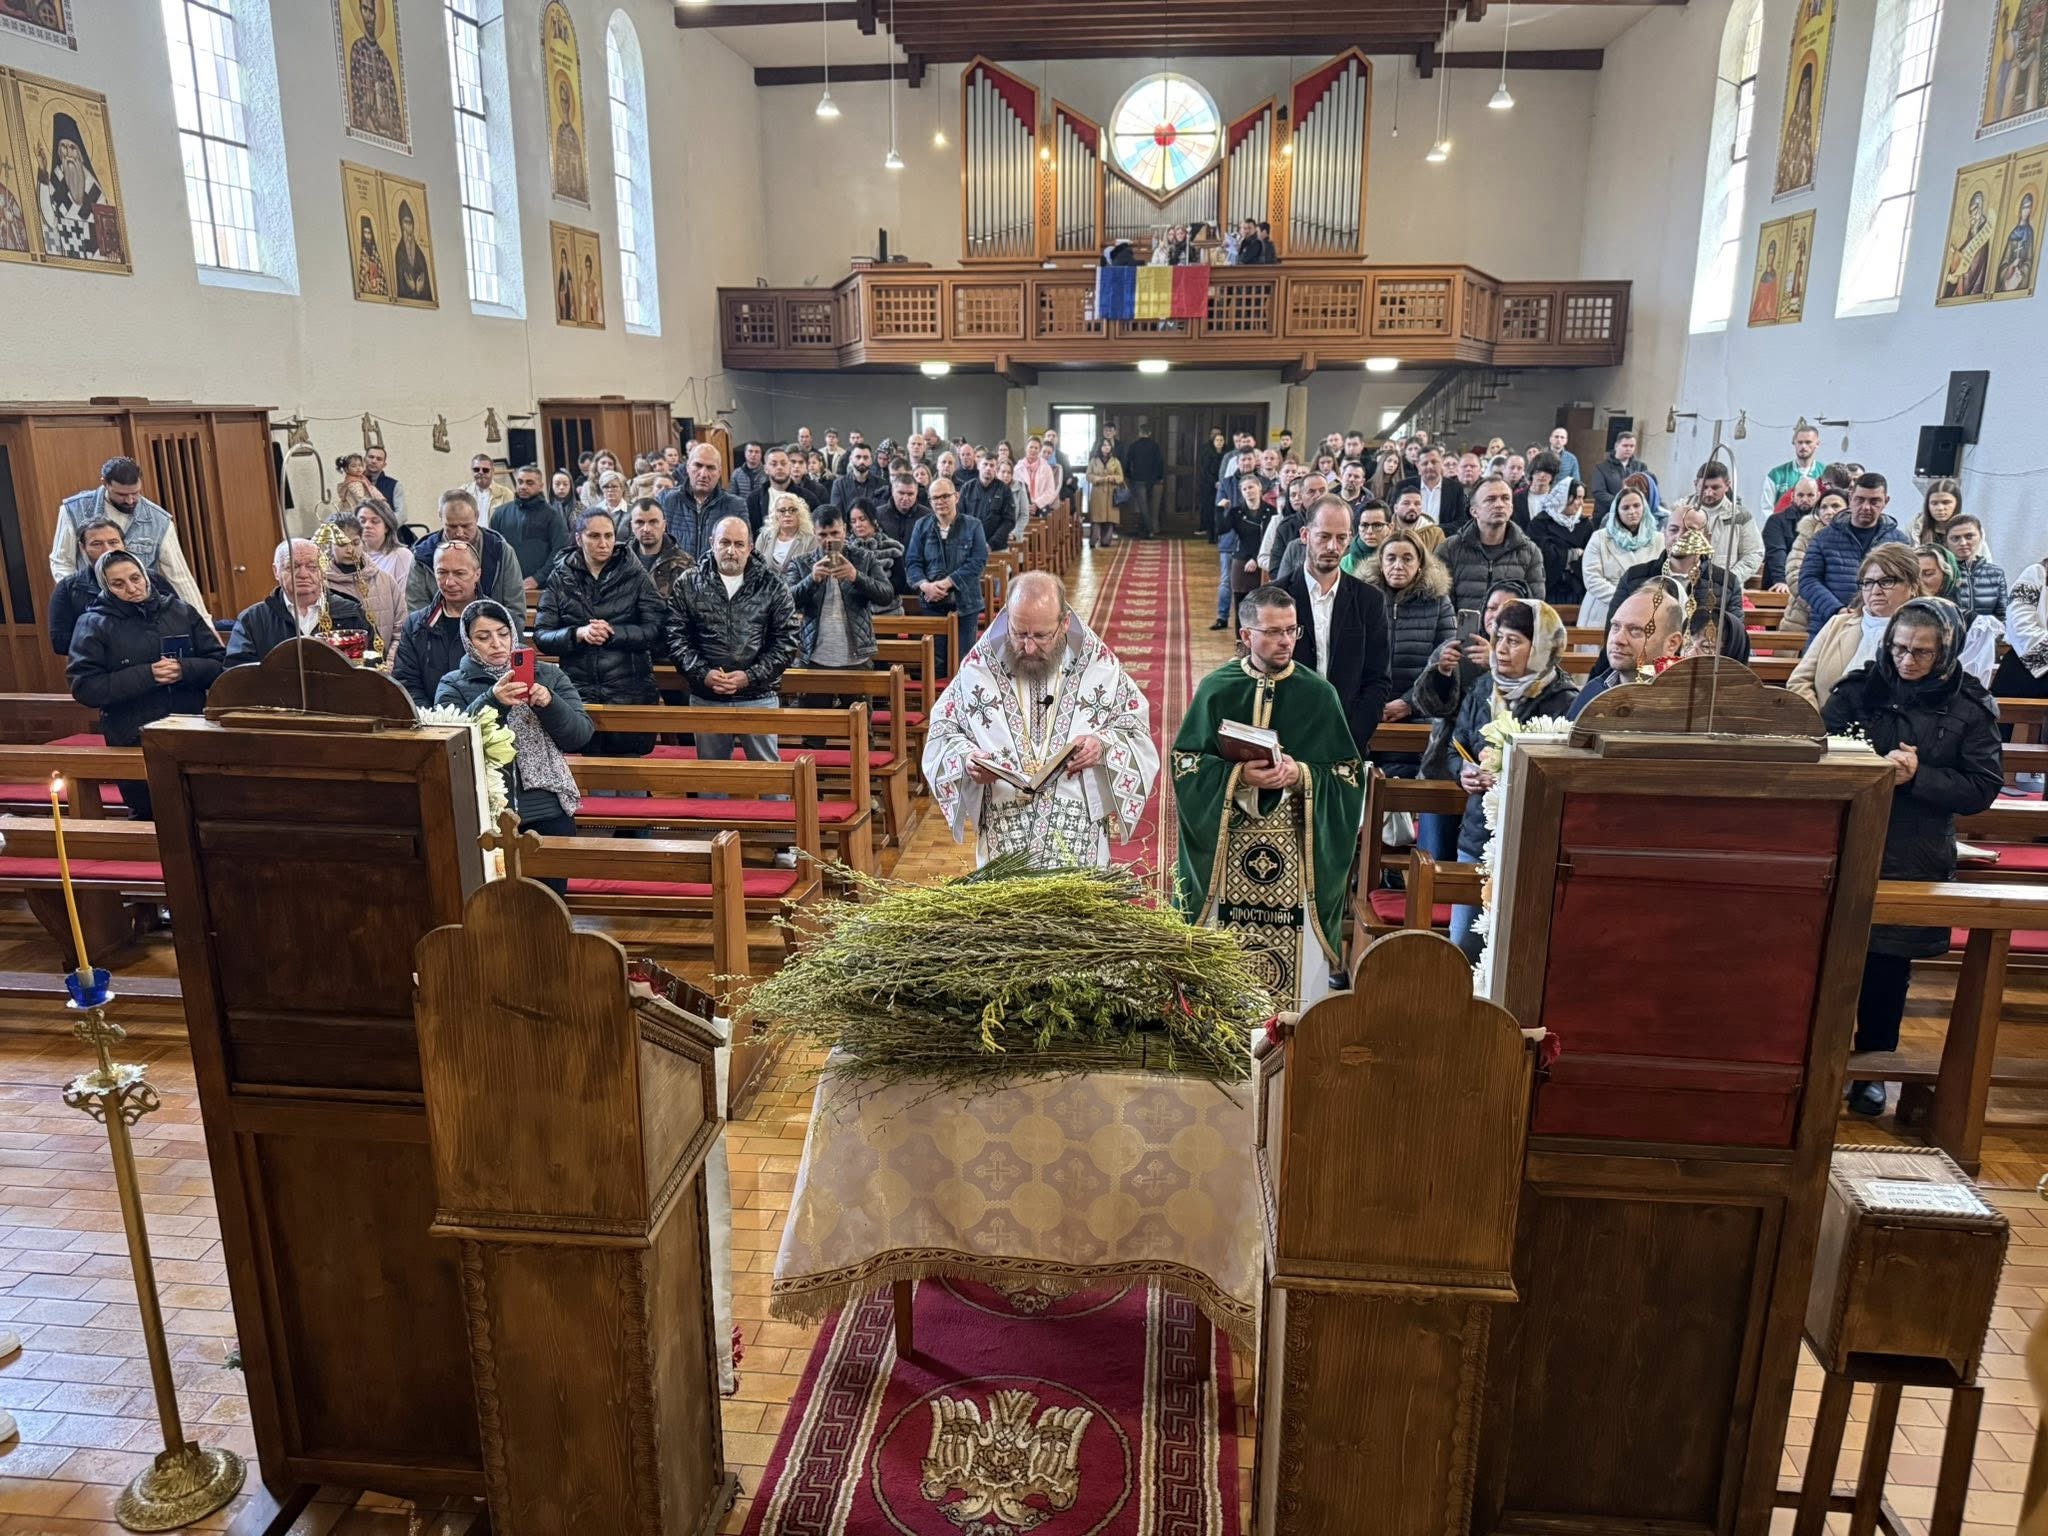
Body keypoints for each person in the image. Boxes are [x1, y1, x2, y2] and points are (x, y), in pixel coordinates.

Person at [1821, 599, 2002, 1117]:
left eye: (1922, 652)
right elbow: (1819, 751)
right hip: (1847, 837)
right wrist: (1866, 767)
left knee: (1886, 963)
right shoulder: (1859, 690)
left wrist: (1920, 776)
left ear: (1945, 652)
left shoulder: (1971, 705)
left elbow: (1982, 787)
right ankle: (1819, 1063)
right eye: (1899, 648)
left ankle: (1872, 1069)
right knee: (1829, 957)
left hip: (1913, 849)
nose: (1907, 660)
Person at [1173, 585, 1366, 1012]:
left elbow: (1348, 775)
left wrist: (1302, 774)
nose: (1286, 641)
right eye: (1274, 632)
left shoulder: (1319, 694)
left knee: (1294, 987)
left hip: (1295, 852)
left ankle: (1294, 1034)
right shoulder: (1217, 689)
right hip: (1228, 851)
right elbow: (1186, 763)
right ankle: (1220, 1027)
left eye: (1292, 630)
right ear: (1246, 635)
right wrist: (1237, 775)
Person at [924, 571, 1158, 871]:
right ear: (1007, 619)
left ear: (1065, 623)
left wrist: (1102, 745)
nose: (1029, 647)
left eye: (1041, 635)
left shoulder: (1099, 667)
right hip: (1004, 826)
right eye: (1019, 633)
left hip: (1076, 828)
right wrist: (967, 759)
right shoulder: (978, 668)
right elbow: (944, 731)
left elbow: (1134, 728)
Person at [1436, 599, 1579, 958]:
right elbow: (1454, 747)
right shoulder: (1484, 688)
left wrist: (1508, 778)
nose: (1501, 648)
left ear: (1540, 646)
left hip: (1531, 841)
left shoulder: (1563, 701)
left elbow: (1564, 774)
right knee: (1465, 943)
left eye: (1514, 641)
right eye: (1499, 637)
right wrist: (1464, 772)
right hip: (1478, 835)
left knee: (1520, 948)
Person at [439, 599, 594, 877]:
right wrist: (492, 700)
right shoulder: (453, 683)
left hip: (546, 808)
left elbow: (579, 736)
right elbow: (451, 742)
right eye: (483, 637)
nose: (497, 644)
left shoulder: (548, 675)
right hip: (485, 811)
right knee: (492, 898)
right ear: (468, 642)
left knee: (549, 897)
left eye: (503, 633)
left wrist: (550, 703)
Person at [66, 550, 225, 820]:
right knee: (150, 814)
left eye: (135, 578)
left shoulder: (180, 611)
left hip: (190, 726)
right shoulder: (93, 624)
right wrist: (148, 675)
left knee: (205, 810)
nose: (131, 588)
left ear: (146, 576)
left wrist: (184, 670)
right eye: (118, 584)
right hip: (132, 734)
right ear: (105, 586)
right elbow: (85, 687)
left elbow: (220, 664)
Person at [663, 515, 801, 763]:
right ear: (712, 543)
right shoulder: (688, 583)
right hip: (707, 695)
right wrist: (703, 673)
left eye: (739, 544)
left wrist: (750, 677)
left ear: (750, 547)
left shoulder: (773, 585)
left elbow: (787, 641)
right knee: (711, 775)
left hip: (758, 696)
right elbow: (675, 637)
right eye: (724, 542)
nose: (731, 551)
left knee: (768, 775)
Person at [534, 507, 665, 756]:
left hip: (629, 688)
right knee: (589, 768)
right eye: (594, 536)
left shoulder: (635, 573)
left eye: (608, 535)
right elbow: (542, 634)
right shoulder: (560, 576)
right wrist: (577, 634)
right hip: (579, 689)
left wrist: (613, 633)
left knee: (630, 768)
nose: (603, 543)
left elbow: (656, 629)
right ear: (578, 538)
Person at [1279, 497, 1393, 759]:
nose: (1333, 546)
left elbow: (1377, 679)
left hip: (1347, 740)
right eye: (1324, 536)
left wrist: (1351, 738)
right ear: (1305, 535)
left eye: (1341, 538)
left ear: (1350, 538)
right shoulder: (1276, 596)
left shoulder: (1369, 600)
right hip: (1286, 741)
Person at [49, 456, 212, 625]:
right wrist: (74, 597)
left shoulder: (159, 520)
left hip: (140, 615)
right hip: (91, 611)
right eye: (121, 494)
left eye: (135, 493)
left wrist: (205, 622)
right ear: (105, 483)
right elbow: (62, 561)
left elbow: (179, 575)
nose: (130, 500)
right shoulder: (74, 510)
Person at [1606, 504, 1747, 665]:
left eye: (1690, 531)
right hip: (1643, 668)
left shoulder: (1726, 582)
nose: (1680, 536)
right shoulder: (1635, 577)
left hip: (1699, 669)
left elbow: (1732, 641)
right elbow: (1613, 632)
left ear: (1706, 538)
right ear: (1664, 533)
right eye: (1673, 530)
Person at [1786, 543, 1921, 706]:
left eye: (1886, 581)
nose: (1875, 591)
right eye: (1868, 583)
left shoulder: (1926, 632)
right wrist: (1817, 719)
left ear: (1913, 587)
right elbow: (1799, 681)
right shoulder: (1837, 624)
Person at [1367, 530, 1456, 737]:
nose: (1398, 566)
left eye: (1407, 559)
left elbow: (1444, 662)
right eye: (1391, 558)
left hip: (1421, 714)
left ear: (1419, 565)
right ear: (1381, 563)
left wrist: (1409, 702)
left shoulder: (1438, 602)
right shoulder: (1363, 598)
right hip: (1368, 711)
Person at [226, 539, 371, 666]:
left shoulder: (351, 613)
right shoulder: (253, 620)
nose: (303, 574)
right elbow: (239, 674)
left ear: (323, 570)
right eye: (293, 567)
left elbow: (374, 665)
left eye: (312, 567)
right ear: (276, 571)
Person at [1801, 472, 1910, 629]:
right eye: (1860, 499)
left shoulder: (1898, 542)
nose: (1866, 507)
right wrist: (1837, 609)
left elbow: (1906, 584)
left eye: (1874, 501)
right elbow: (1808, 581)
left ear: (1886, 501)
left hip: (1881, 625)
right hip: (1830, 624)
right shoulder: (1823, 538)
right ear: (1851, 497)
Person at [49, 519, 173, 656]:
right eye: (97, 544)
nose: (107, 550)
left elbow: (177, 619)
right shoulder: (68, 588)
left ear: (124, 545)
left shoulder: (152, 579)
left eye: (113, 542)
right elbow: (60, 642)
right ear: (82, 548)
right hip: (102, 664)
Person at [790, 506, 894, 669]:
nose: (829, 540)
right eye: (823, 535)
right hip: (813, 656)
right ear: (814, 533)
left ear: (844, 530)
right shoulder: (800, 562)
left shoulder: (865, 558)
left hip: (857, 656)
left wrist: (856, 576)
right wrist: (811, 580)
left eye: (835, 533)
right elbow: (786, 603)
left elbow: (886, 596)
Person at [1567, 581, 1686, 720]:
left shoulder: (1688, 703)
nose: (1618, 639)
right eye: (1616, 626)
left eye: (1635, 630)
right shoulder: (1592, 693)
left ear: (1672, 644)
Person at [905, 478, 989, 668]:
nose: (940, 501)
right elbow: (912, 562)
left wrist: (948, 582)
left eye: (945, 496)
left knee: (965, 663)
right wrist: (925, 586)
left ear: (956, 497)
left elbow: (978, 562)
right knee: (936, 664)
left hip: (966, 603)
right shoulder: (921, 526)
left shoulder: (973, 525)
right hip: (932, 603)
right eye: (935, 498)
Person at [392, 539, 481, 708]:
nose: (449, 582)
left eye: (459, 573)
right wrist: (433, 718)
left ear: (477, 574)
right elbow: (407, 682)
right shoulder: (415, 625)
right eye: (442, 573)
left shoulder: (497, 621)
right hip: (427, 719)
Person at [406, 490, 526, 613]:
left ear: (477, 516)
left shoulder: (501, 552)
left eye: (466, 526)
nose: (459, 533)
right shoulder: (422, 555)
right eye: (452, 527)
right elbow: (417, 612)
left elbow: (515, 610)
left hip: (491, 624)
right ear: (440, 516)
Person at [1438, 476, 1545, 612]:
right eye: (1491, 499)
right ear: (1474, 511)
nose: (1499, 504)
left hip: (1508, 625)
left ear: (1511, 508)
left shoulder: (1529, 551)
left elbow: (1535, 605)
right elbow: (1442, 605)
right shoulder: (1449, 549)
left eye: (1505, 498)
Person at [1914, 544, 2003, 686]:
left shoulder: (1970, 624)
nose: (1919, 581)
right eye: (1913, 575)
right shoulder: (1899, 617)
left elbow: (1971, 680)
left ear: (1947, 576)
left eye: (1928, 574)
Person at [318, 513, 405, 656]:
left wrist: (389, 662)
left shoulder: (385, 581)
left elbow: (401, 631)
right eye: (342, 544)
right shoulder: (321, 586)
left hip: (386, 664)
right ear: (329, 546)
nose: (350, 550)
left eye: (355, 542)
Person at [1580, 485, 1661, 631]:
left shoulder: (1659, 539)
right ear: (1617, 511)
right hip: (1603, 607)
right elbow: (1592, 578)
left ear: (1644, 507)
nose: (1632, 512)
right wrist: (1623, 597)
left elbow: (1662, 575)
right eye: (1625, 508)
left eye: (1636, 506)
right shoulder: (1600, 538)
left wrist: (1641, 598)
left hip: (1644, 607)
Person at [661, 444, 751, 565]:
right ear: (687, 467)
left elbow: (744, 550)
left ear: (719, 472)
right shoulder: (666, 501)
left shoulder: (735, 506)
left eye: (710, 468)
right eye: (698, 465)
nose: (703, 474)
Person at [491, 464, 572, 588]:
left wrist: (538, 578)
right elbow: (492, 549)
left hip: (542, 586)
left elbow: (560, 551)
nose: (523, 486)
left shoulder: (552, 516)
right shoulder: (500, 514)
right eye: (520, 482)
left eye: (530, 483)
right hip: (506, 585)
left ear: (540, 486)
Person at [1780, 488, 1847, 631]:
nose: (1829, 511)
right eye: (1823, 507)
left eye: (1835, 506)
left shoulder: (1855, 537)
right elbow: (1794, 575)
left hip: (1847, 614)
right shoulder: (1807, 535)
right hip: (1804, 615)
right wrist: (1824, 605)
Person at [1692, 461, 1762, 588]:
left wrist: (1730, 578)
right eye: (1704, 487)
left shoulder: (1740, 516)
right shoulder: (1681, 512)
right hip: (1688, 584)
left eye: (1715, 488)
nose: (1709, 492)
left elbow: (1754, 553)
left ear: (1727, 485)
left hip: (1726, 589)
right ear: (1695, 484)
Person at [1527, 472, 1592, 608]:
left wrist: (1564, 557)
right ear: (1563, 497)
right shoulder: (1540, 522)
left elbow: (1590, 556)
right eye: (1577, 497)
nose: (1581, 503)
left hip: (1578, 589)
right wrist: (1573, 554)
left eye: (1582, 498)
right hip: (1550, 588)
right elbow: (1543, 554)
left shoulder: (1585, 525)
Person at [1943, 515, 2007, 625]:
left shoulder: (1996, 573)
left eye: (1969, 536)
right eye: (1955, 538)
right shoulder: (1942, 573)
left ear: (1981, 536)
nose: (1963, 543)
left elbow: (2002, 616)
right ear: (1946, 542)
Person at [625, 497, 691, 601]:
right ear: (632, 526)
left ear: (664, 525)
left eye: (653, 522)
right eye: (640, 522)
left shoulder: (684, 563)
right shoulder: (620, 560)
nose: (646, 529)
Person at [1763, 476, 1820, 590]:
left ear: (1818, 496)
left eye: (1810, 495)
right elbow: (1777, 552)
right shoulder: (1776, 521)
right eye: (1800, 495)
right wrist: (1781, 580)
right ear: (1792, 496)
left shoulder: (1823, 523)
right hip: (1779, 585)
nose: (1805, 499)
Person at [755, 493, 820, 582]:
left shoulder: (810, 539)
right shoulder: (764, 537)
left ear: (800, 514)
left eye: (793, 510)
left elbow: (812, 573)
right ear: (775, 515)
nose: (787, 514)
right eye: (782, 510)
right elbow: (755, 567)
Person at [958, 454, 1016, 553]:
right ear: (978, 466)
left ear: (996, 469)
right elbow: (959, 517)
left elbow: (1009, 521)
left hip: (997, 548)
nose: (988, 468)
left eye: (992, 465)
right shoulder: (967, 488)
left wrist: (991, 544)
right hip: (970, 546)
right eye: (985, 464)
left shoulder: (1004, 490)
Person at [1590, 431, 1653, 519]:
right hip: (1607, 514)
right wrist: (1621, 502)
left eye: (1632, 446)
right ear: (1616, 446)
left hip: (1634, 514)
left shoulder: (1641, 467)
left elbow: (1647, 489)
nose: (1628, 449)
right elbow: (1599, 492)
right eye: (1625, 446)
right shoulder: (1602, 468)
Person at [1405, 447, 1468, 535]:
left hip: (1444, 538)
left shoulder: (1455, 488)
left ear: (1441, 463)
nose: (1430, 466)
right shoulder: (1404, 486)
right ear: (1417, 466)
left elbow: (1461, 521)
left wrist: (1433, 531)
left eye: (1434, 462)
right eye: (1425, 463)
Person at [357, 497, 414, 594]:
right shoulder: (350, 555)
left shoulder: (402, 556)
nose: (367, 526)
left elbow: (404, 598)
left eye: (375, 521)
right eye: (362, 521)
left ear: (386, 527)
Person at [1766, 424, 1828, 508]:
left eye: (1808, 442)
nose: (1803, 446)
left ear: (1817, 443)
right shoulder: (1776, 474)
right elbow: (1766, 508)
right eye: (1800, 442)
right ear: (1794, 443)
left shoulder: (1826, 473)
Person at [1123, 421, 1164, 539]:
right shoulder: (1155, 446)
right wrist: (1160, 477)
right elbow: (1160, 462)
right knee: (1153, 507)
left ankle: (1149, 530)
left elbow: (1127, 462)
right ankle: (1153, 528)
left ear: (1139, 433)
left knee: (1143, 506)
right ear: (1149, 433)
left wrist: (1128, 475)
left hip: (1138, 479)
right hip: (1154, 480)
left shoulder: (1134, 446)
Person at [1912, 477, 1968, 549]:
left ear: (1957, 503)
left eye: (1946, 502)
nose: (1940, 508)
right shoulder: (1915, 529)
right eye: (1934, 503)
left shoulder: (1970, 529)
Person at [366, 444, 406, 523]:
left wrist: (384, 526)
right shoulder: (354, 484)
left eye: (379, 459)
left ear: (384, 465)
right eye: (371, 457)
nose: (374, 461)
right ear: (364, 459)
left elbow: (402, 515)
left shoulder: (395, 485)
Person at [731, 442, 767, 507]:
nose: (753, 454)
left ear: (761, 454)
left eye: (757, 452)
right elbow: (732, 496)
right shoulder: (736, 473)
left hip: (763, 508)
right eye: (750, 451)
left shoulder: (768, 472)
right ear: (745, 453)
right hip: (743, 509)